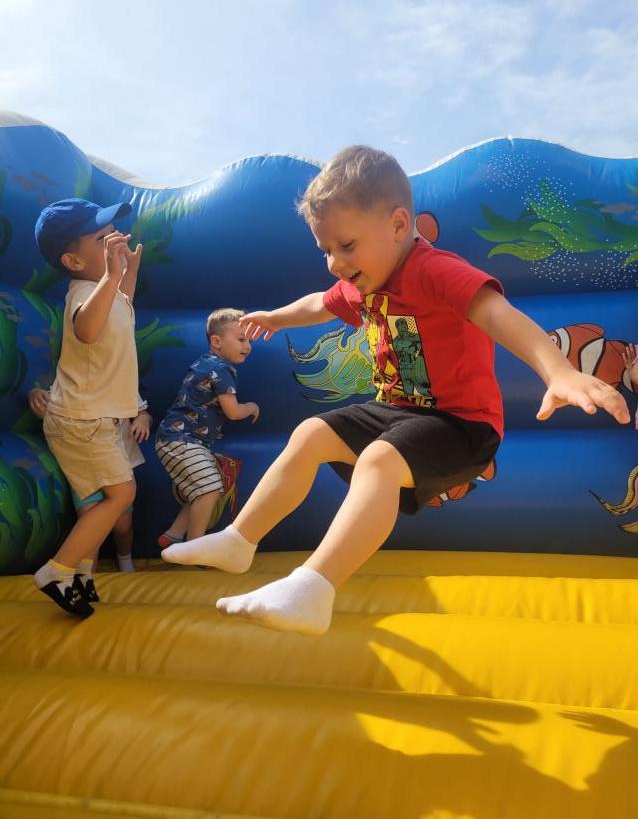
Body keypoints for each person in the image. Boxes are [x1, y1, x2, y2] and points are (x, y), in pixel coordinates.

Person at [162, 146, 629, 636]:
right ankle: (239, 540)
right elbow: (321, 304)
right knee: (310, 434)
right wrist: (277, 318)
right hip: (398, 412)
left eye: (346, 245)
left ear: (399, 224)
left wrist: (558, 371)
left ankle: (313, 590)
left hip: (462, 426)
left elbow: (496, 313)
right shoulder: (364, 283)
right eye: (325, 249)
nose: (334, 262)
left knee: (378, 462)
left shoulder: (433, 270)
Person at [32, 198, 143, 617]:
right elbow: (88, 330)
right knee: (121, 493)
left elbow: (122, 310)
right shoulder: (82, 293)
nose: (115, 240)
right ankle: (56, 571)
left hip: (90, 419)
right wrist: (114, 275)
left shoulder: (110, 293)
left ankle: (80, 578)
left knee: (101, 503)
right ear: (73, 260)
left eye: (114, 233)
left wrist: (127, 272)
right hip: (82, 420)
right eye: (102, 238)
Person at [155, 308, 258, 547]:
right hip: (181, 440)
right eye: (241, 339)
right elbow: (233, 412)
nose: (247, 346)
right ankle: (195, 547)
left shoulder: (206, 362)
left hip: (178, 439)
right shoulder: (220, 369)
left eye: (249, 341)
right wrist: (251, 407)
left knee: (202, 488)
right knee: (210, 488)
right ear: (216, 341)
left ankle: (173, 535)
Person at [28, 386, 152, 573]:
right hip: (84, 470)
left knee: (123, 526)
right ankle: (87, 576)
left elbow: (143, 412)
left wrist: (143, 419)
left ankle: (124, 556)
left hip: (117, 467)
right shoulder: (72, 384)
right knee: (90, 524)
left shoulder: (120, 380)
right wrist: (36, 394)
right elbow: (49, 406)